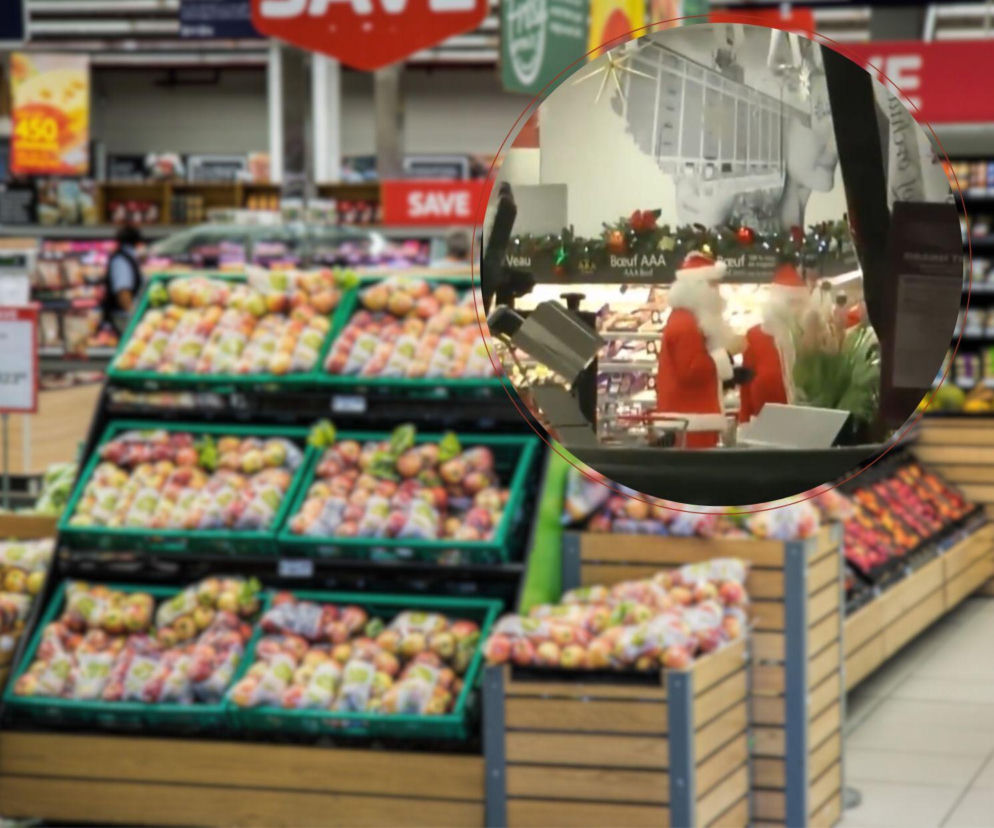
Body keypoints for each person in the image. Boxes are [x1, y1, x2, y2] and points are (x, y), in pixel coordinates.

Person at [655, 250, 737, 449]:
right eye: (713, 285)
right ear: (699, 289)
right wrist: (727, 354)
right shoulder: (686, 325)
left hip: (693, 419)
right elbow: (691, 371)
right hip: (690, 422)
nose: (717, 292)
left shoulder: (689, 320)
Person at [739, 263, 809, 423]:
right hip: (764, 422)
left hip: (804, 422)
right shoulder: (755, 335)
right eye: (790, 302)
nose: (795, 309)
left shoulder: (810, 337)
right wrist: (743, 421)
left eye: (799, 303)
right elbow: (745, 385)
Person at [103, 224, 144, 334]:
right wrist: (134, 319)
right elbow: (123, 293)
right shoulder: (121, 260)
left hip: (123, 317)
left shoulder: (126, 258)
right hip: (122, 319)